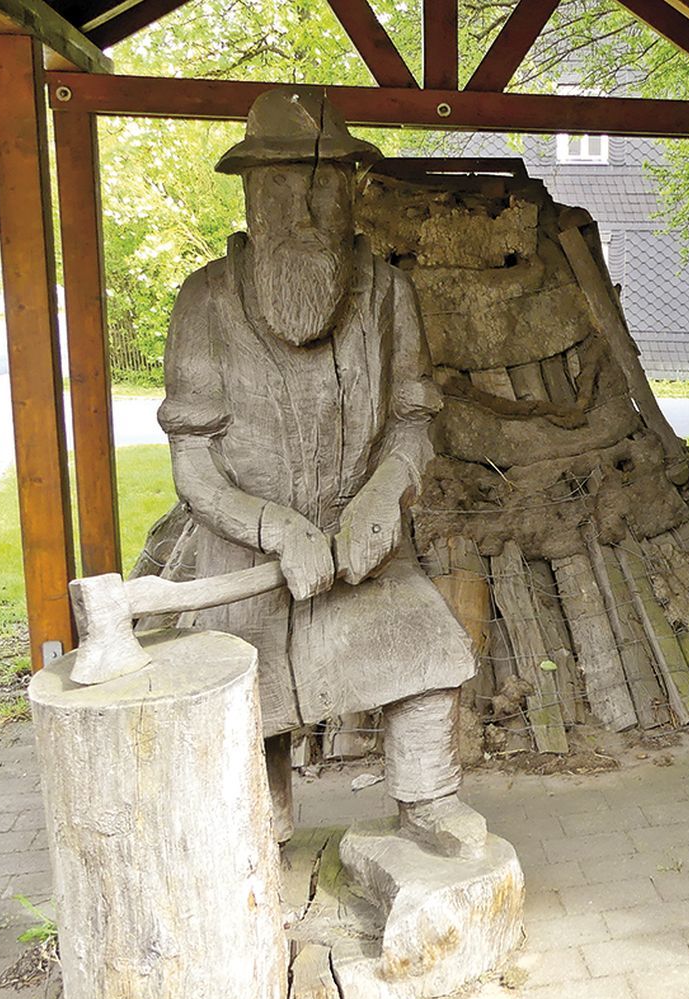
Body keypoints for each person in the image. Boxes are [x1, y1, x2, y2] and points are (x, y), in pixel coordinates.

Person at [158, 87, 484, 858]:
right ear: (250, 196)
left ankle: (426, 804)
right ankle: (255, 832)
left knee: (427, 655)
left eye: (323, 188)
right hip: (243, 563)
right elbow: (192, 465)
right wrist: (273, 527)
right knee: (244, 699)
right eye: (281, 188)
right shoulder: (205, 301)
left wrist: (383, 498)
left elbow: (413, 423)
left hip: (360, 548)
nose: (304, 215)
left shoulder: (388, 294)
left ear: (352, 194)